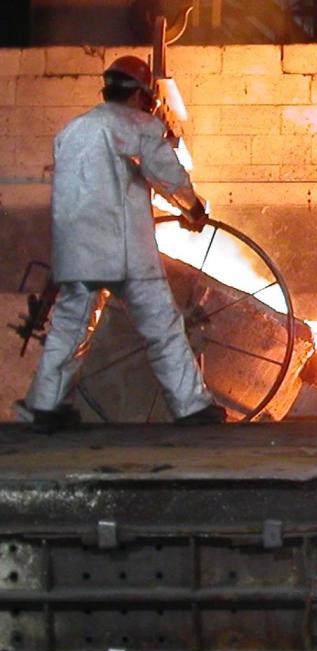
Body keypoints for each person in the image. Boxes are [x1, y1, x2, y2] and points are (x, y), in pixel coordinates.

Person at [19, 55, 225, 433]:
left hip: (76, 249)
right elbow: (169, 176)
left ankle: (45, 407)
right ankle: (192, 406)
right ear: (140, 97)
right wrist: (193, 209)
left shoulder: (71, 130)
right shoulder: (140, 126)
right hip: (126, 251)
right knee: (162, 327)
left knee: (69, 328)